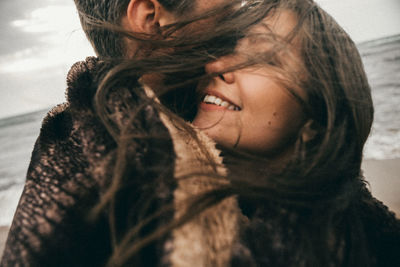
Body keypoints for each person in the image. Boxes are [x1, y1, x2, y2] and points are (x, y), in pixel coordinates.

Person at [1, 1, 399, 267]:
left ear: (317, 118)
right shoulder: (96, 168)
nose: (218, 62)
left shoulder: (359, 230)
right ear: (152, 17)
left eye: (261, 55)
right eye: (227, 25)